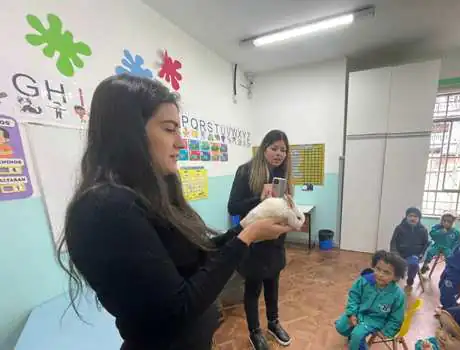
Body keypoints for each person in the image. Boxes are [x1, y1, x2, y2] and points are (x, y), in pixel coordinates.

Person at [57, 75, 293, 350]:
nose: (181, 143)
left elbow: (199, 253)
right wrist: (248, 235)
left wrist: (246, 229)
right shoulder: (107, 208)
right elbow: (176, 310)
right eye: (169, 129)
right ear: (128, 132)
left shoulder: (155, 193)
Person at [228, 129, 293, 350]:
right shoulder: (245, 171)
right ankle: (255, 331)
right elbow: (233, 207)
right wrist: (259, 198)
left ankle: (273, 323)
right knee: (253, 288)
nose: (279, 153)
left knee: (273, 284)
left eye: (283, 150)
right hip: (254, 242)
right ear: (264, 148)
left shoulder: (282, 174)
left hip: (275, 241)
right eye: (274, 148)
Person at [335, 250, 406, 350]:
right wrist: (352, 313)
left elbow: (397, 317)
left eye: (386, 272)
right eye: (378, 269)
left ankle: (358, 341)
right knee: (340, 326)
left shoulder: (398, 294)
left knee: (357, 336)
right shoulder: (364, 280)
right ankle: (357, 337)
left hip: (376, 320)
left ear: (396, 277)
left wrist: (387, 331)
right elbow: (354, 296)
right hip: (359, 312)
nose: (380, 274)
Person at [390, 207, 429, 293]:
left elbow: (426, 244)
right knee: (394, 264)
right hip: (399, 254)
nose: (413, 218)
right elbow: (393, 242)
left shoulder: (423, 230)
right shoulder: (399, 228)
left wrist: (421, 254)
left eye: (415, 216)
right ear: (406, 217)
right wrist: (394, 253)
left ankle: (410, 279)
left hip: (414, 255)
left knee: (414, 264)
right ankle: (395, 280)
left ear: (419, 218)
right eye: (410, 216)